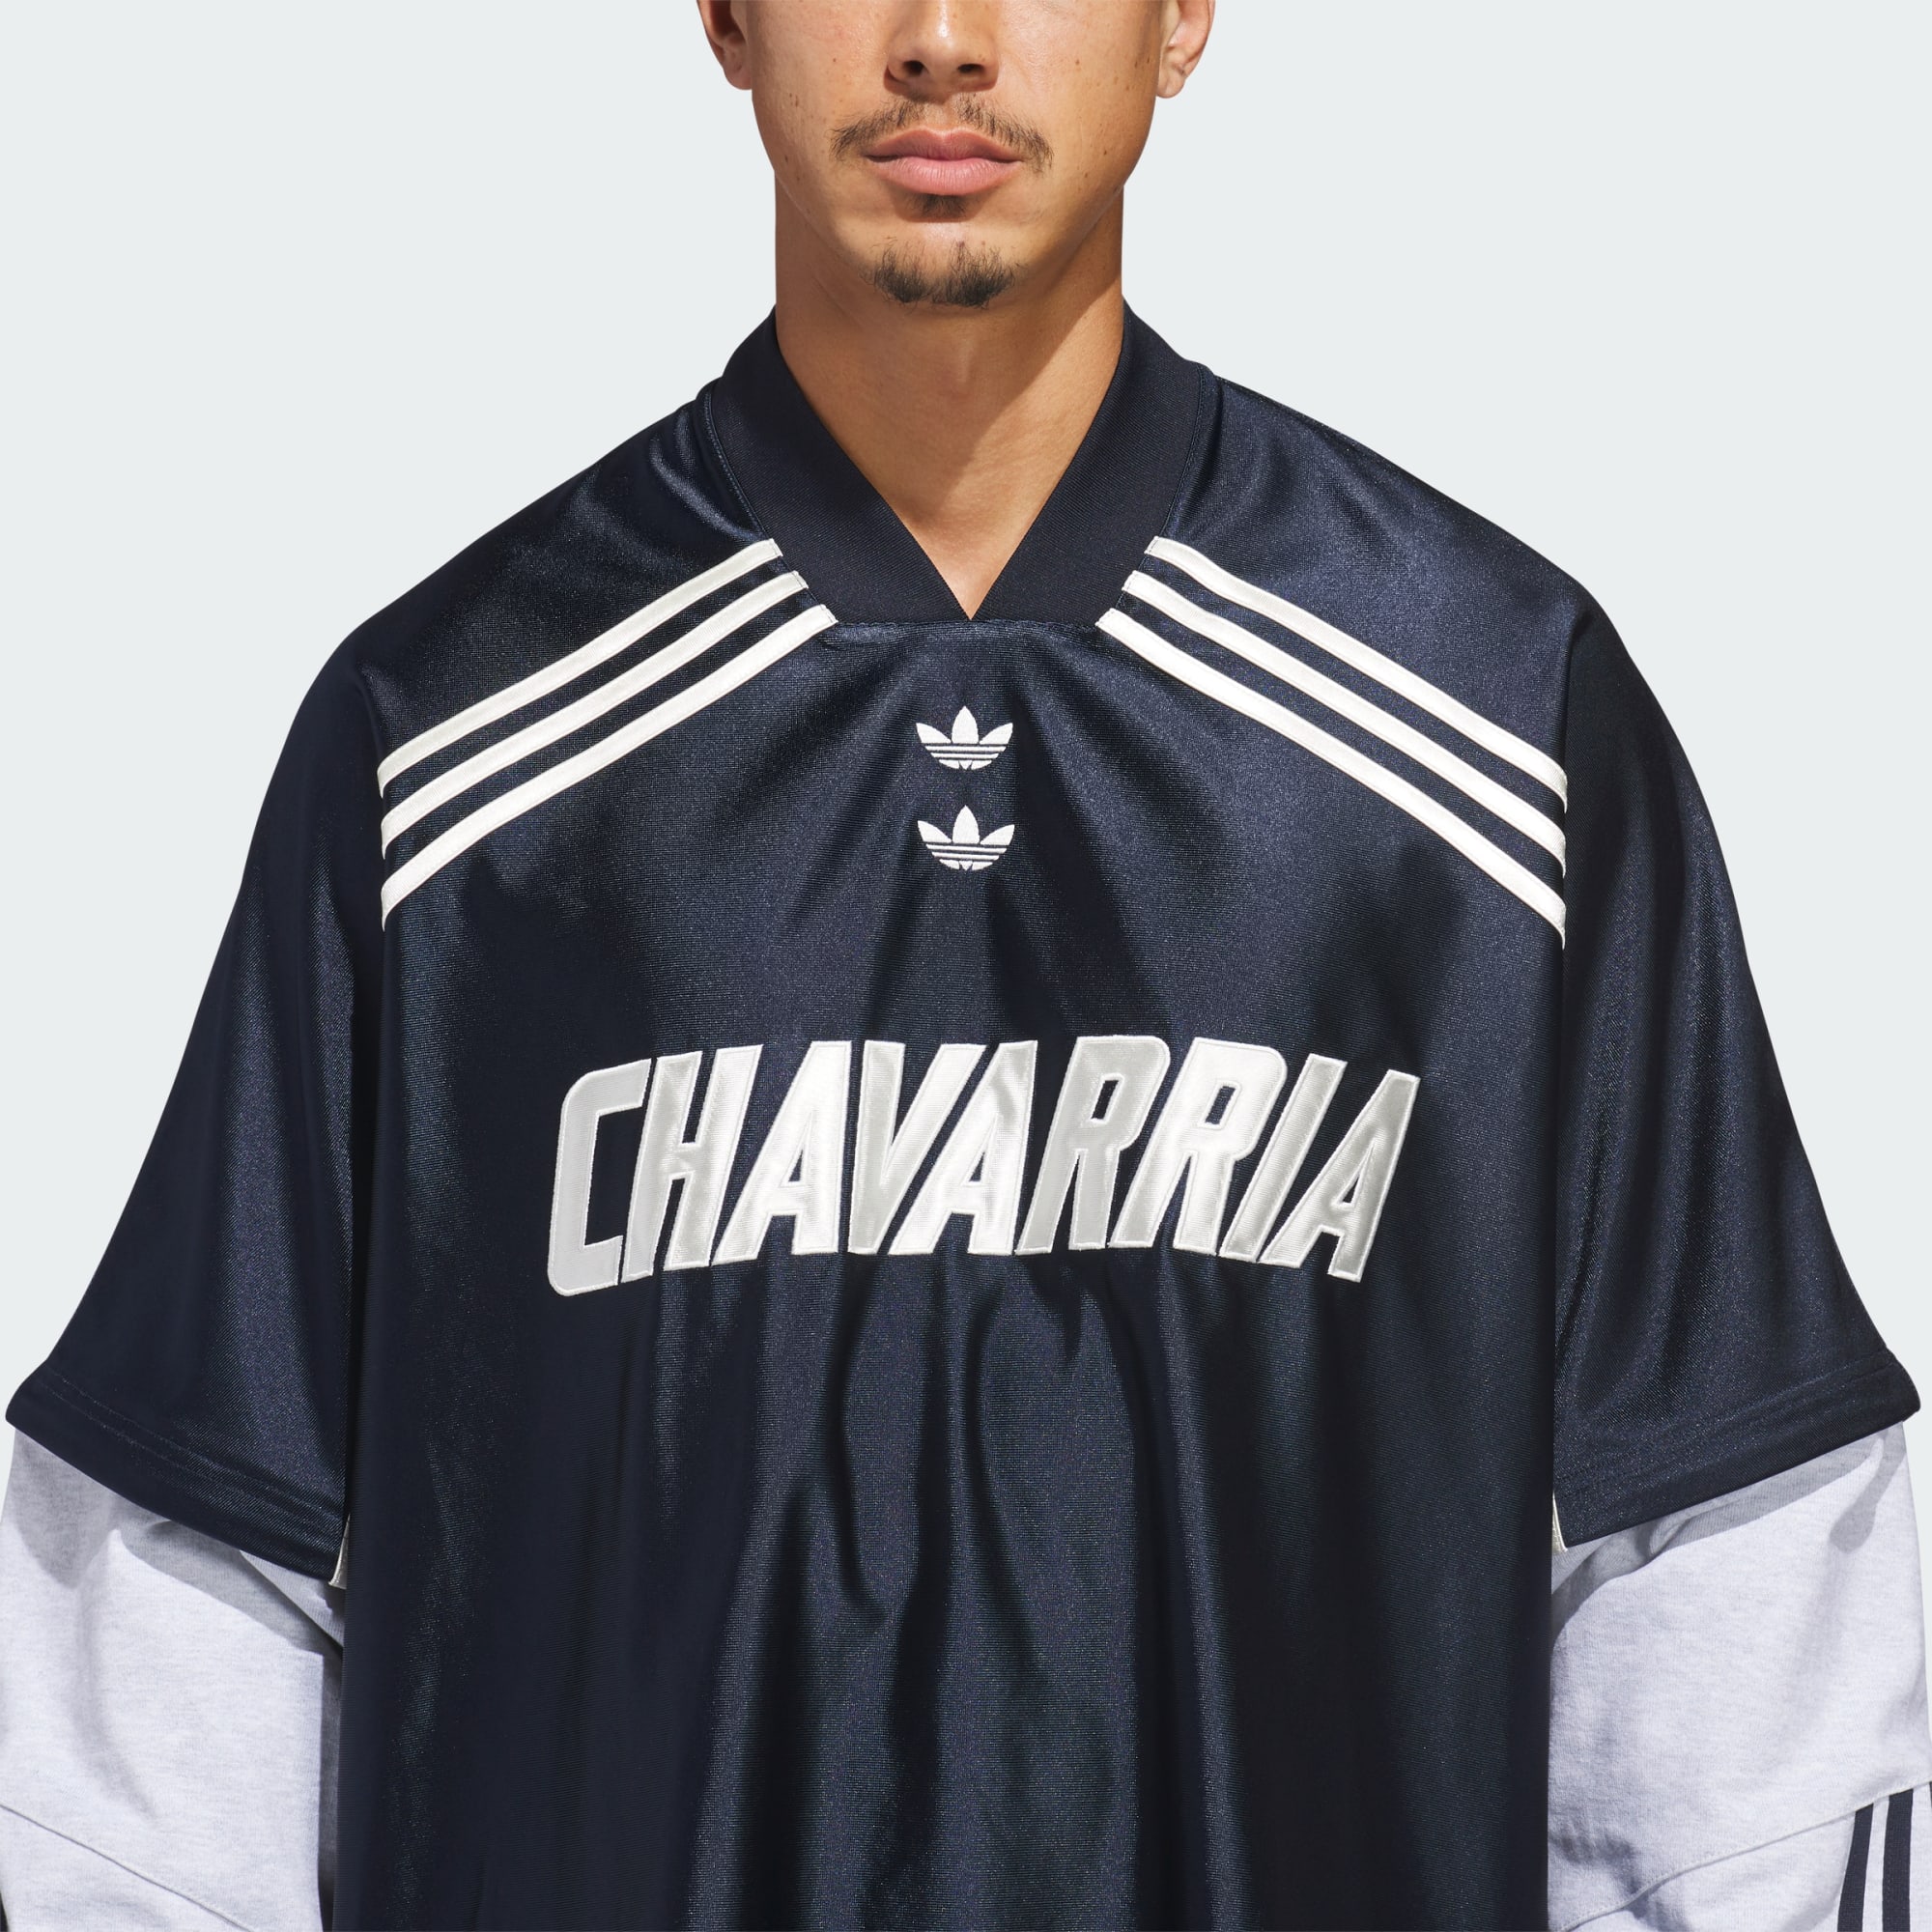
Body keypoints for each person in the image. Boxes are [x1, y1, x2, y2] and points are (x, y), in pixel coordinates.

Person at [0, 2, 1924, 1925]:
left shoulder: (1494, 727)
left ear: (1182, 17)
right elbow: (171, 1657)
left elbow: (1734, 1631)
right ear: (725, 16)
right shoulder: (449, 754)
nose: (941, 40)